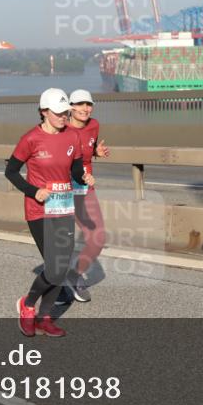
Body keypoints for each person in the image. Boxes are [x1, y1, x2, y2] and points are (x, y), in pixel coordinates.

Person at [7, 88, 94, 337]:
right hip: (39, 209)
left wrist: (83, 176)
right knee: (55, 267)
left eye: (66, 112)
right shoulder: (30, 139)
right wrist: (33, 191)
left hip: (64, 206)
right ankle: (27, 305)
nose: (64, 117)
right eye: (59, 113)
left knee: (62, 265)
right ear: (44, 112)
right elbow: (11, 172)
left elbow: (76, 169)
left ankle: (45, 319)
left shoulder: (72, 137)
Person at [65, 89, 110, 302]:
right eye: (80, 104)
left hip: (85, 188)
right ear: (70, 107)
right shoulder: (61, 129)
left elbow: (86, 150)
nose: (85, 109)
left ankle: (73, 276)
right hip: (63, 189)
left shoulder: (94, 125)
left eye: (88, 104)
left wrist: (96, 153)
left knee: (97, 237)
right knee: (60, 243)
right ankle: (53, 291)